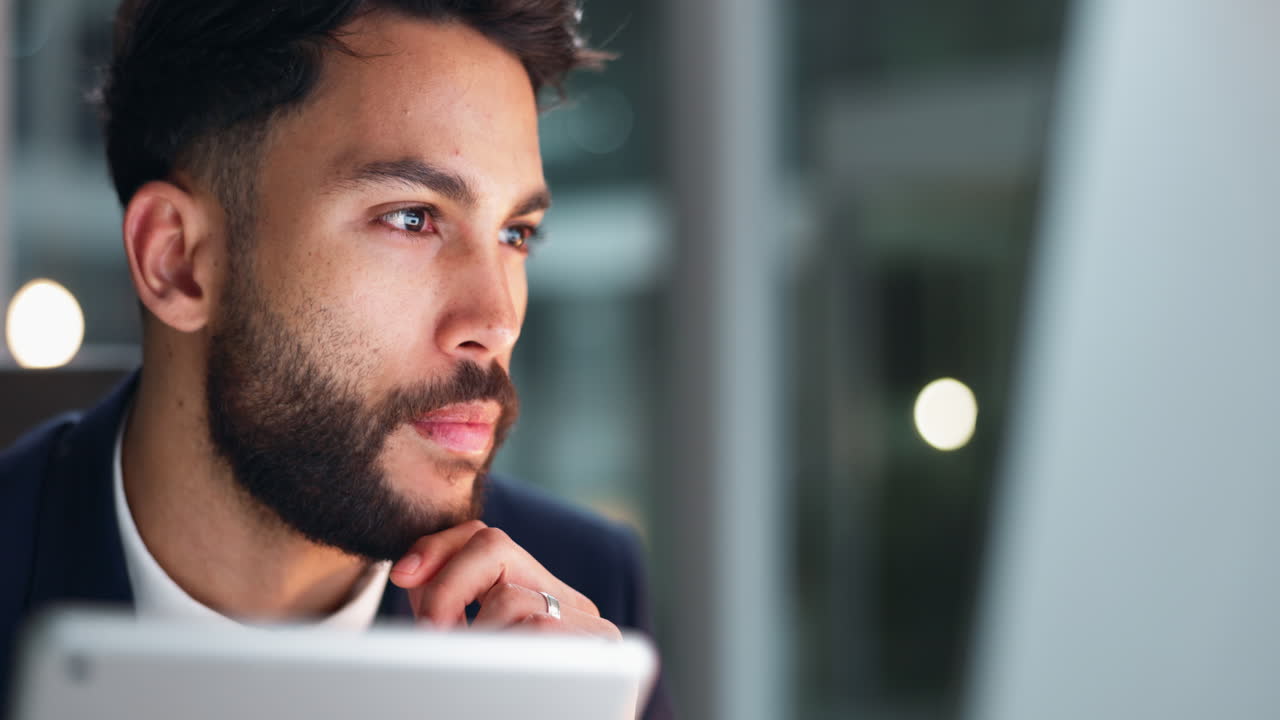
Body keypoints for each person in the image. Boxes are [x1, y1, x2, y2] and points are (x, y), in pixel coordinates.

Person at [0, 1, 672, 717]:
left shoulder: (576, 607)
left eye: (515, 234)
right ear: (179, 262)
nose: (497, 322)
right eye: (411, 218)